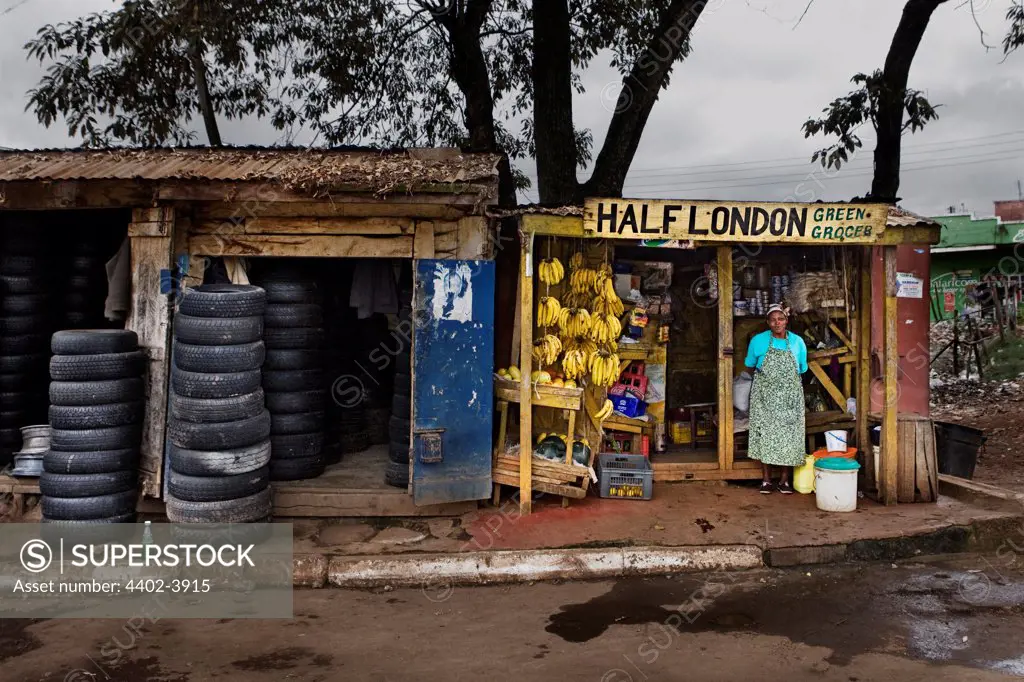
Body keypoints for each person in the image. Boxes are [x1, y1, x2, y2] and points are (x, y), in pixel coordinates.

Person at [743, 303, 808, 494]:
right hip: (765, 397)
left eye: (780, 319)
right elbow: (750, 365)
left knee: (789, 436)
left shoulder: (797, 342)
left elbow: (802, 368)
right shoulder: (758, 341)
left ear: (786, 321)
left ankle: (784, 481)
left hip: (790, 398)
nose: (777, 323)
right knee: (766, 434)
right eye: (773, 319)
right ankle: (766, 481)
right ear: (767, 322)